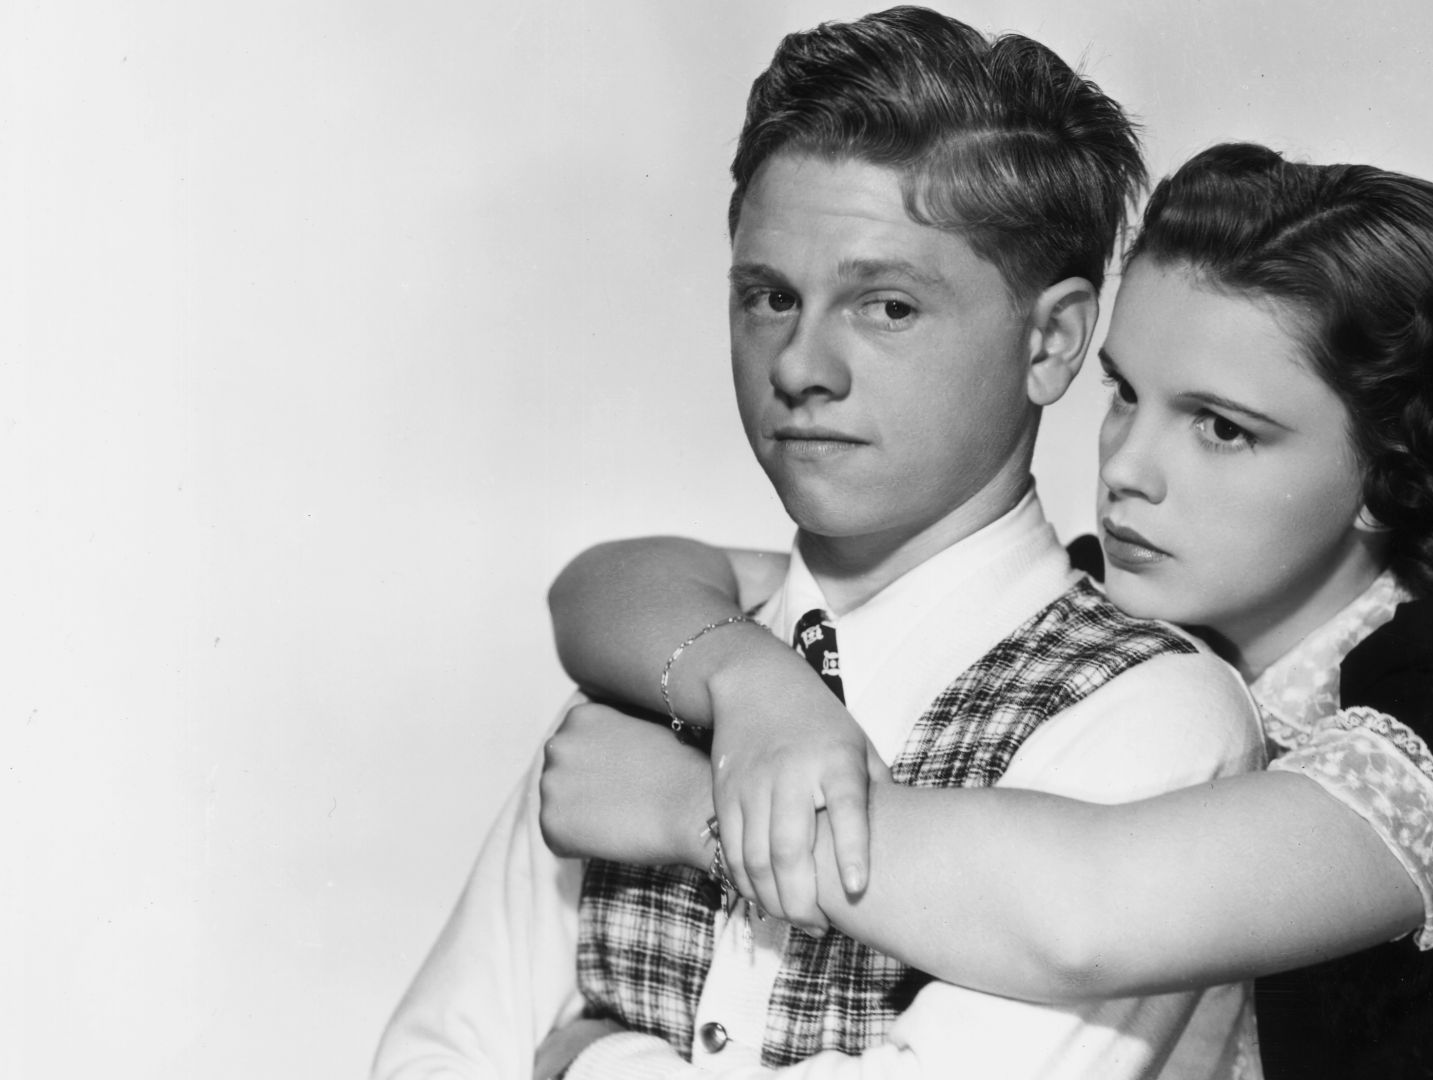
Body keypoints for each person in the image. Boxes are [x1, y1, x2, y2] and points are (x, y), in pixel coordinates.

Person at [542, 143, 1433, 1078]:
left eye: (1221, 427)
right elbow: (632, 582)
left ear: (1395, 469)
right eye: (1127, 393)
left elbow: (1088, 914)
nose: (1128, 465)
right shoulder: (1145, 622)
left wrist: (693, 808)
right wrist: (754, 689)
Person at [373, 9, 1277, 1079]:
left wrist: (585, 1060)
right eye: (769, 297)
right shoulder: (660, 671)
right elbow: (432, 1056)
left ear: (1052, 340)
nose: (802, 364)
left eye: (886, 306)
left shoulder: (1148, 715)